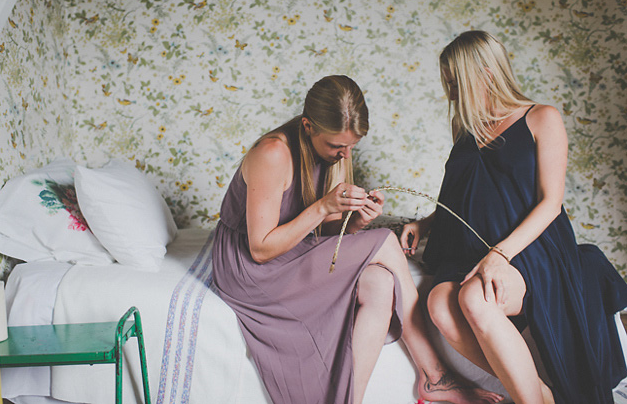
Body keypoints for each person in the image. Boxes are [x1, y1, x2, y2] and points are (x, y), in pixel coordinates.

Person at [212, 74, 503, 404]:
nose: (345, 155)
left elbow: (317, 231)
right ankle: (435, 375)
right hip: (250, 269)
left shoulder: (332, 155)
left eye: (352, 146)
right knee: (385, 242)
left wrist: (355, 222)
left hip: (288, 253)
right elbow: (261, 249)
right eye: (337, 146)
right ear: (308, 126)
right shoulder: (273, 153)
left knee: (380, 282)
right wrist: (324, 206)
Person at [400, 30, 627, 404]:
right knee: (439, 303)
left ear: (486, 74)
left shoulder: (541, 118)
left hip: (532, 249)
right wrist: (423, 224)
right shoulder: (465, 132)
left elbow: (550, 203)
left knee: (476, 298)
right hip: (473, 250)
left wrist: (501, 254)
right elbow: (464, 198)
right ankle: (538, 390)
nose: (451, 93)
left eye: (455, 82)